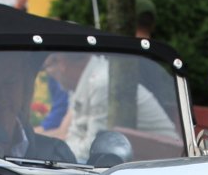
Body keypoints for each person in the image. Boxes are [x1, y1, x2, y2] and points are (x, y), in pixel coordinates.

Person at [47, 51, 176, 161]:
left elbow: (91, 149)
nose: (48, 73)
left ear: (62, 63)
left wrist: (58, 154)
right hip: (136, 159)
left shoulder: (101, 83)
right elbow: (74, 135)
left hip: (162, 161)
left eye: (48, 66)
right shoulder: (84, 81)